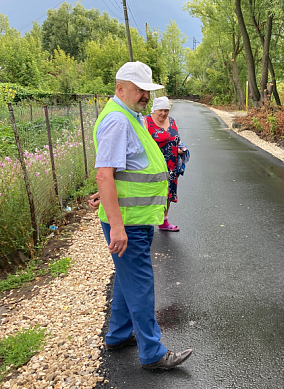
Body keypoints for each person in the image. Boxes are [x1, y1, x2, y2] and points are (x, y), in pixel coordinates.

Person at [88, 61, 192, 370]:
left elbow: (120, 169)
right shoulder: (119, 120)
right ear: (120, 88)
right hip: (128, 223)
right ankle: (153, 353)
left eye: (147, 90)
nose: (145, 95)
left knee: (127, 279)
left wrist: (108, 195)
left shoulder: (130, 117)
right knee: (142, 284)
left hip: (136, 218)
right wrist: (116, 225)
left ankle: (119, 334)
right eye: (139, 90)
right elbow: (104, 174)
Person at [144, 96, 189, 232]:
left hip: (171, 164)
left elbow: (176, 138)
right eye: (160, 110)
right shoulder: (146, 122)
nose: (163, 113)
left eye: (166, 110)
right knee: (151, 193)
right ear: (154, 109)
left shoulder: (172, 121)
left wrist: (180, 148)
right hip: (153, 165)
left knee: (167, 193)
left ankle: (164, 221)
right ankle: (146, 221)